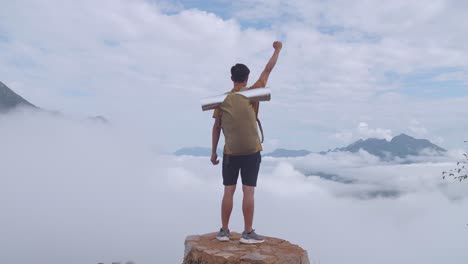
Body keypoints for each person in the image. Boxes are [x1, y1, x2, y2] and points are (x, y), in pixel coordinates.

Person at [211, 41, 282, 244]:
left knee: (228, 190)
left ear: (231, 78)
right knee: (248, 190)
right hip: (251, 151)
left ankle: (224, 231)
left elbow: (216, 127)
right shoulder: (254, 92)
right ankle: (248, 233)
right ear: (247, 78)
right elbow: (268, 69)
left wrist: (213, 152)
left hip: (230, 152)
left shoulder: (222, 100)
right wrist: (278, 49)